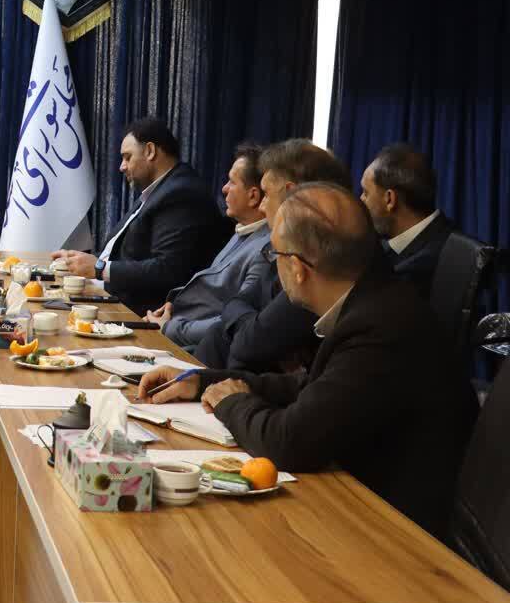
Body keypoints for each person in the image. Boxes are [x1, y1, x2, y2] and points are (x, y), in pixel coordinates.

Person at [137, 182, 476, 538]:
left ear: (297, 269)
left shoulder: (380, 326)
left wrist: (231, 402)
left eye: (275, 256)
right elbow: (311, 388)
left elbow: (290, 442)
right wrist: (202, 381)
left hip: (396, 531)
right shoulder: (375, 299)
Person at [194, 139, 352, 372]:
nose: (261, 206)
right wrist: (248, 326)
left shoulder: (319, 261)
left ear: (290, 193)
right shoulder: (282, 247)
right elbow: (236, 302)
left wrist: (245, 329)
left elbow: (252, 344)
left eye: (266, 194)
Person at [52, 117, 229, 316]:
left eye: (127, 157)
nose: (122, 166)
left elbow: (168, 269)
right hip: (108, 298)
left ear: (150, 151)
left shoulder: (181, 193)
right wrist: (78, 261)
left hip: (137, 314)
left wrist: (100, 268)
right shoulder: (159, 190)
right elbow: (121, 255)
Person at [146, 143, 270, 352]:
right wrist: (175, 307)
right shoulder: (242, 231)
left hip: (198, 350)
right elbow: (212, 291)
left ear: (253, 196)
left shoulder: (265, 249)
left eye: (232, 182)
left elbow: (234, 322)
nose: (224, 188)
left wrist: (169, 327)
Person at [360, 143, 453, 300]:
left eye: (365, 192)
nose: (361, 200)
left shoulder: (412, 273)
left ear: (389, 199)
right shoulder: (446, 233)